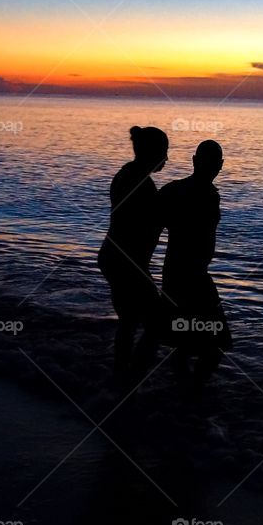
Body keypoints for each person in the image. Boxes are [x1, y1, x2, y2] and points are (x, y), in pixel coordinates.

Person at [97, 126, 168, 384]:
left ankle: (122, 378)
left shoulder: (129, 174)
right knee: (157, 325)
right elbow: (150, 220)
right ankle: (132, 379)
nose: (167, 159)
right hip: (126, 262)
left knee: (129, 321)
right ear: (153, 152)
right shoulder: (139, 182)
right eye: (164, 152)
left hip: (116, 258)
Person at [159, 140, 231, 390]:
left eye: (213, 163)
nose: (212, 167)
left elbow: (148, 230)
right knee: (215, 342)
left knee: (185, 340)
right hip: (192, 279)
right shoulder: (201, 195)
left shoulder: (173, 190)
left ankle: (184, 391)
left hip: (179, 275)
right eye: (209, 162)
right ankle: (191, 392)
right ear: (195, 162)